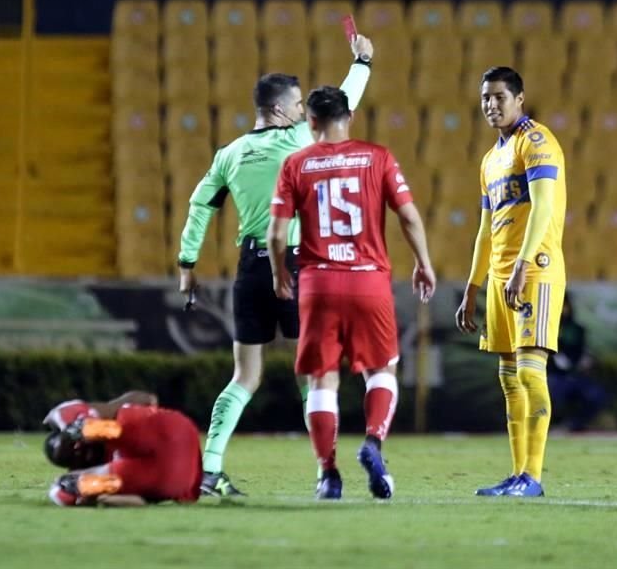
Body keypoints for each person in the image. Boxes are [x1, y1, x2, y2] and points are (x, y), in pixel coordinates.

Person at [177, 34, 375, 497]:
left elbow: (199, 206)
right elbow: (347, 101)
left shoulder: (228, 154)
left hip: (250, 269)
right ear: (285, 110)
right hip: (298, 267)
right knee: (314, 375)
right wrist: (362, 61)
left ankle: (209, 467)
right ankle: (326, 471)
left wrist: (188, 264)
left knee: (245, 375)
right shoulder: (301, 139)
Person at [267, 86, 434, 500]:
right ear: (349, 118)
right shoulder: (378, 157)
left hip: (318, 282)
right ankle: (373, 442)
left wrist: (278, 274)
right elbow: (409, 217)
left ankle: (328, 475)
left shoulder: (295, 164)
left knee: (322, 379)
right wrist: (423, 262)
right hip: (368, 280)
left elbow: (275, 232)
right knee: (381, 369)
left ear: (311, 122)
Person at [455, 67, 566, 498]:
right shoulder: (490, 159)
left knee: (530, 371)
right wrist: (472, 285)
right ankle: (519, 474)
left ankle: (533, 477)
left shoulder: (535, 142)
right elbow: (486, 228)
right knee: (508, 378)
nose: (491, 104)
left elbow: (542, 206)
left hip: (534, 268)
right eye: (485, 97)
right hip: (501, 274)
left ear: (520, 98)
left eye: (500, 96)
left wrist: (522, 263)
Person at [43, 394, 202, 507]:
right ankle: (80, 427)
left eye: (74, 448)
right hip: (176, 442)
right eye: (72, 456)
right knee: (70, 488)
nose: (79, 453)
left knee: (63, 491)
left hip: (174, 477)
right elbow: (142, 500)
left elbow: (148, 399)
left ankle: (83, 428)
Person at [549, 293, 608, 431]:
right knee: (551, 396)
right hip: (556, 376)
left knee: (597, 396)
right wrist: (555, 358)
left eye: (565, 305)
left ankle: (575, 425)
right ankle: (549, 426)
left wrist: (586, 359)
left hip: (576, 375)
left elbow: (583, 349)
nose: (563, 309)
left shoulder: (577, 329)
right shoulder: (548, 328)